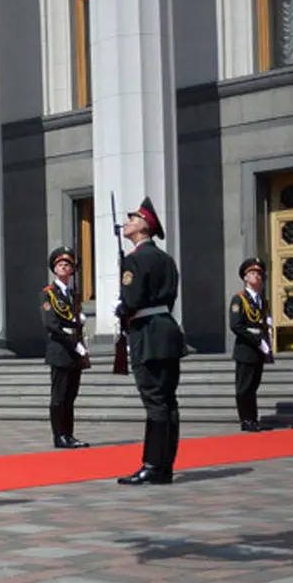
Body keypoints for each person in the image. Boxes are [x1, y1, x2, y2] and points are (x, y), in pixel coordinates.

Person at [114, 196, 186, 485]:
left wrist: (120, 309)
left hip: (148, 333)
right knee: (168, 401)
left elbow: (132, 300)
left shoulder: (134, 259)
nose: (127, 223)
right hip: (167, 330)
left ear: (144, 226)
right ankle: (165, 464)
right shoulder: (167, 260)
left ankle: (153, 465)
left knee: (155, 401)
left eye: (132, 219)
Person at [41, 246, 91, 449]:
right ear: (54, 269)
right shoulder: (48, 294)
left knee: (71, 396)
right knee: (59, 396)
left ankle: (69, 435)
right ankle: (58, 436)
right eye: (60, 264)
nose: (64, 267)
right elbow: (51, 324)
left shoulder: (72, 294)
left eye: (68, 265)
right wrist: (75, 343)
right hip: (61, 350)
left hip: (74, 351)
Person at [229, 257, 272, 432]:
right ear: (245, 278)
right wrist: (256, 340)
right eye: (253, 273)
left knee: (253, 386)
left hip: (258, 349)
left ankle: (253, 418)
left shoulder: (263, 301)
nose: (257, 276)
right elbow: (235, 325)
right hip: (246, 348)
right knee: (243, 387)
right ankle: (245, 420)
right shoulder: (239, 299)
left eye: (260, 273)